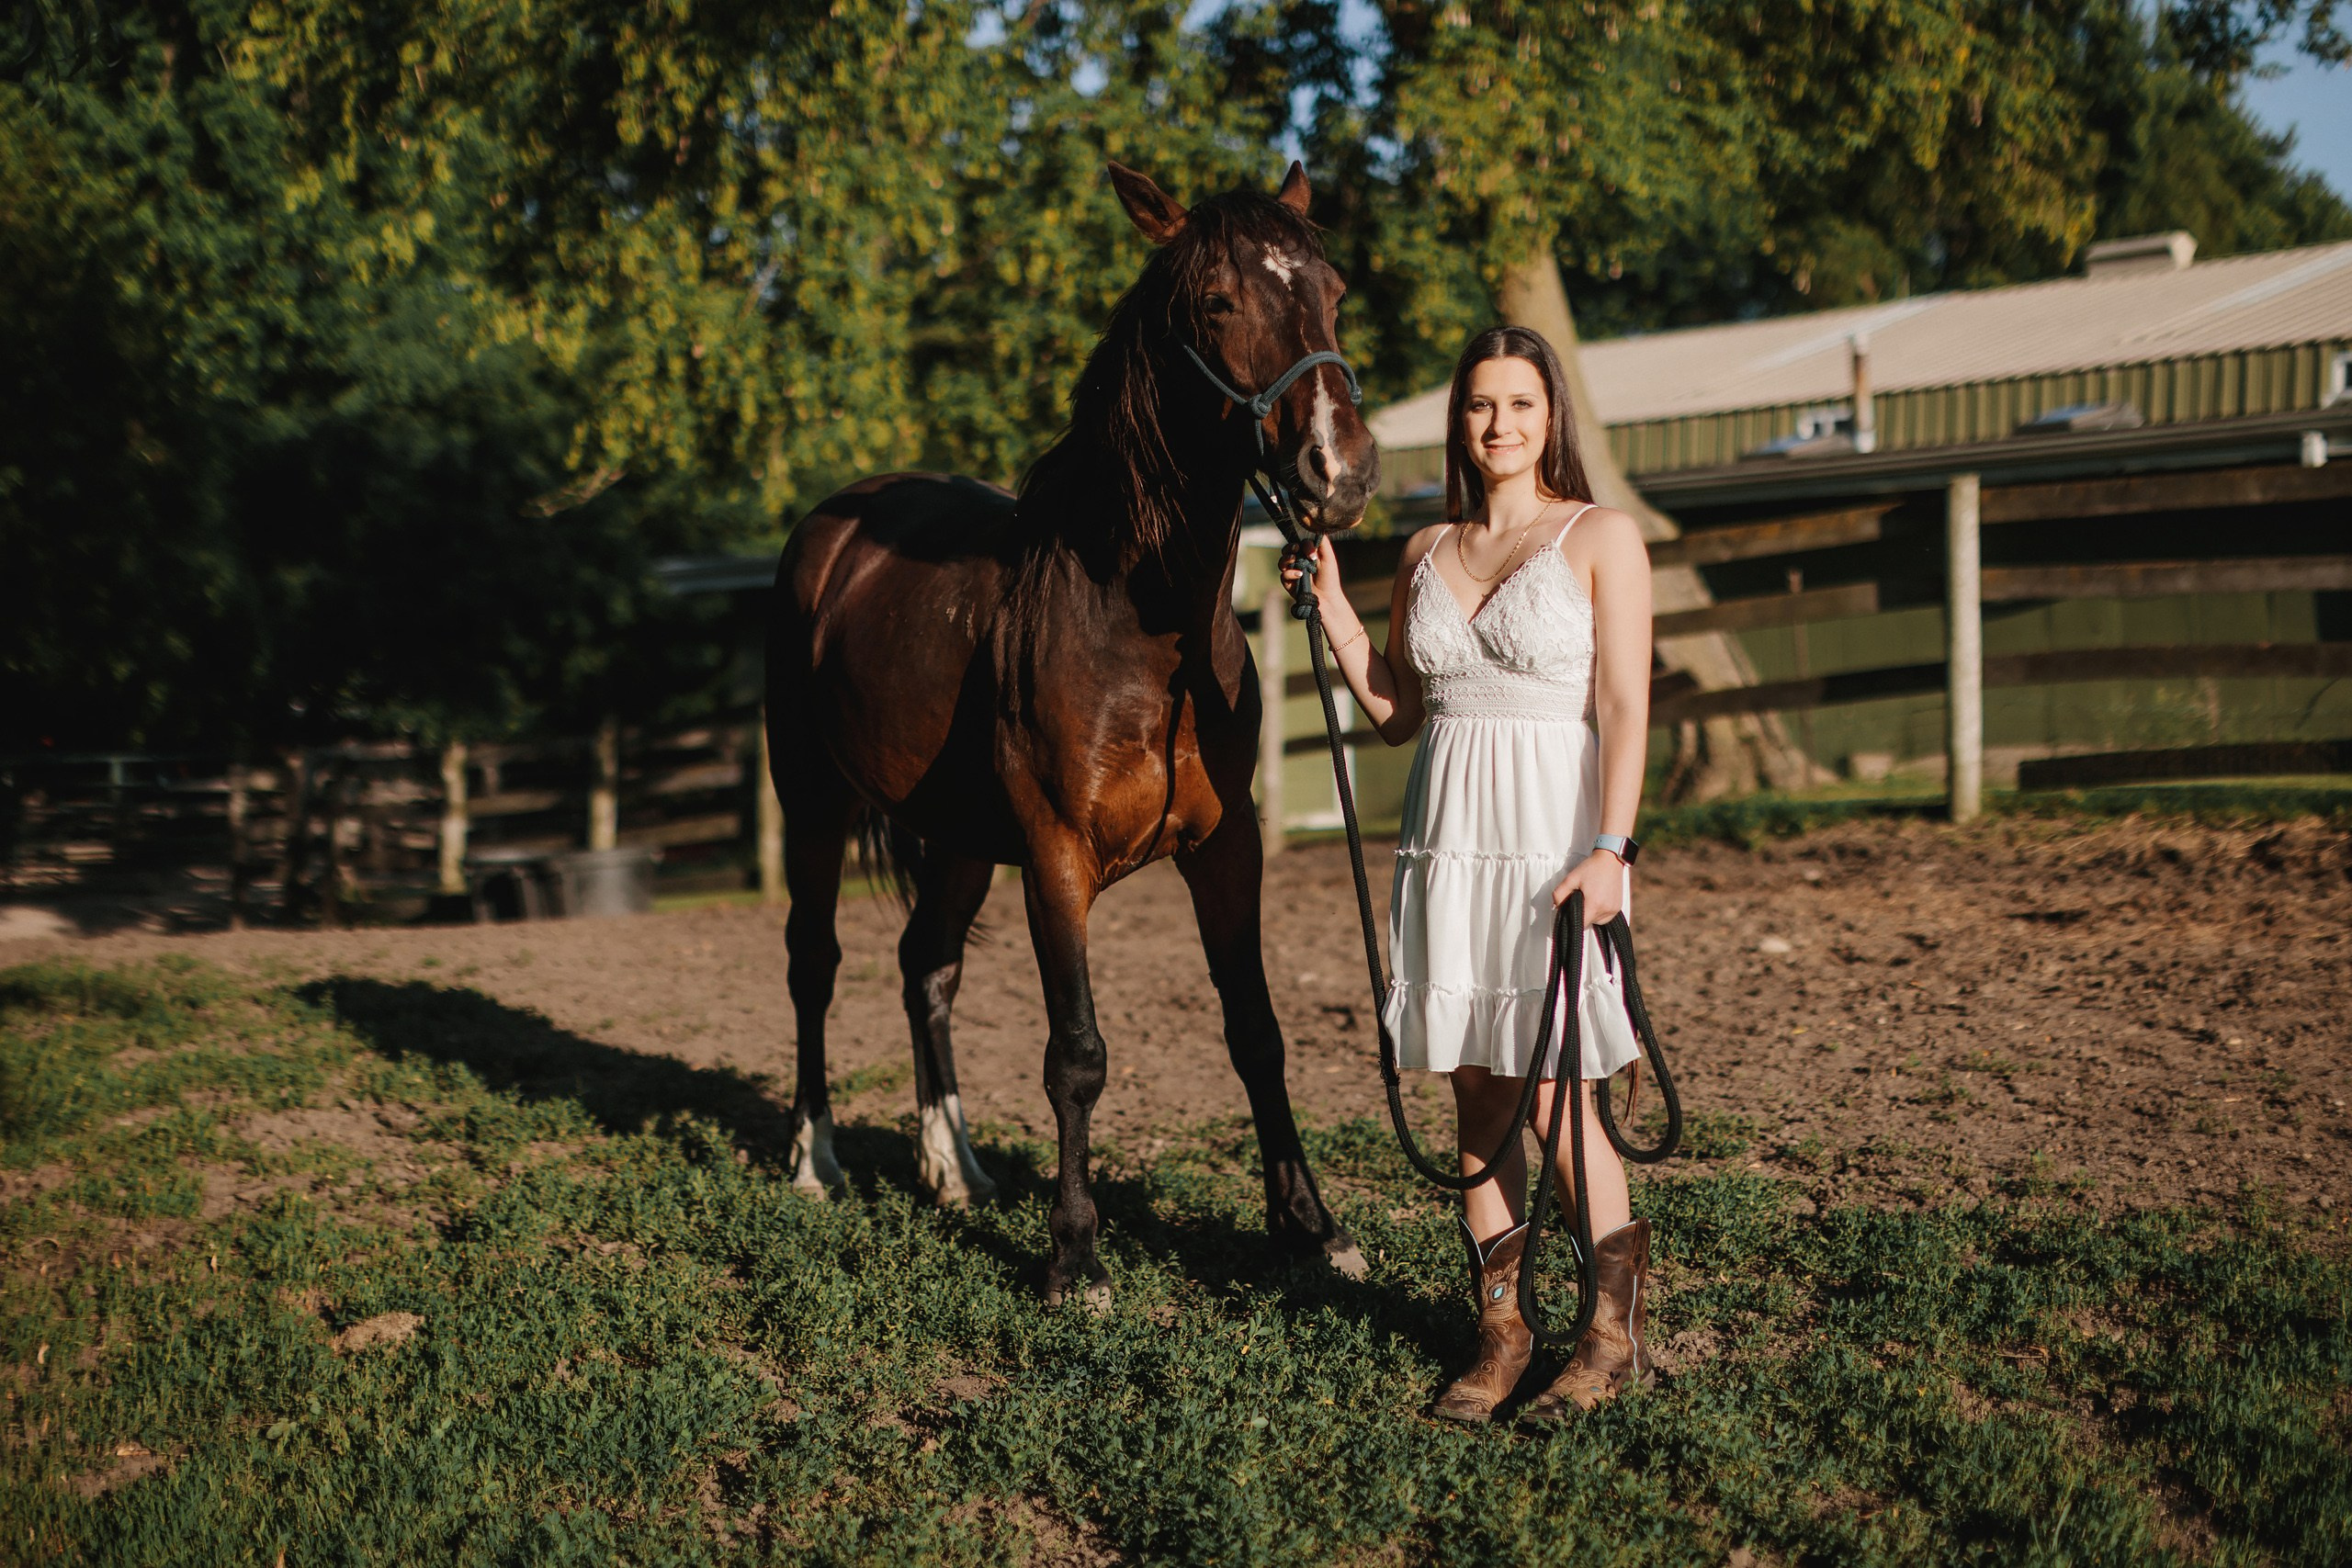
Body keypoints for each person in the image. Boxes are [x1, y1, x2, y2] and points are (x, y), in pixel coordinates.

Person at [1282, 324, 1657, 1426]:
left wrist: (1613, 850)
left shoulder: (1599, 537)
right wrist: (1337, 609)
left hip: (1552, 844)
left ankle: (1608, 1334)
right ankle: (1498, 1333)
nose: (1500, 425)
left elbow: (1627, 708)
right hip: (1447, 844)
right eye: (1482, 406)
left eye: (1522, 405)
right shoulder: (1424, 550)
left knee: (1553, 1091)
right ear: (1461, 421)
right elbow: (1401, 714)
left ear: (1552, 418)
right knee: (1475, 1094)